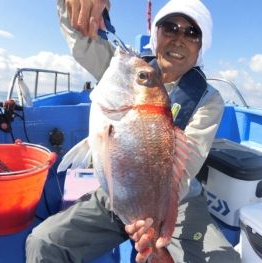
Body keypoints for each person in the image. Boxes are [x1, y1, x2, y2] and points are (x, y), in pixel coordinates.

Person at [26, 0, 241, 262]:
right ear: (156, 34)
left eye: (192, 33)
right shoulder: (125, 70)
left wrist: (154, 219)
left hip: (174, 201)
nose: (179, 39)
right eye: (170, 27)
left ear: (200, 47)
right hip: (116, 191)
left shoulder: (209, 99)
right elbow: (83, 40)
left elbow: (184, 171)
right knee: (43, 242)